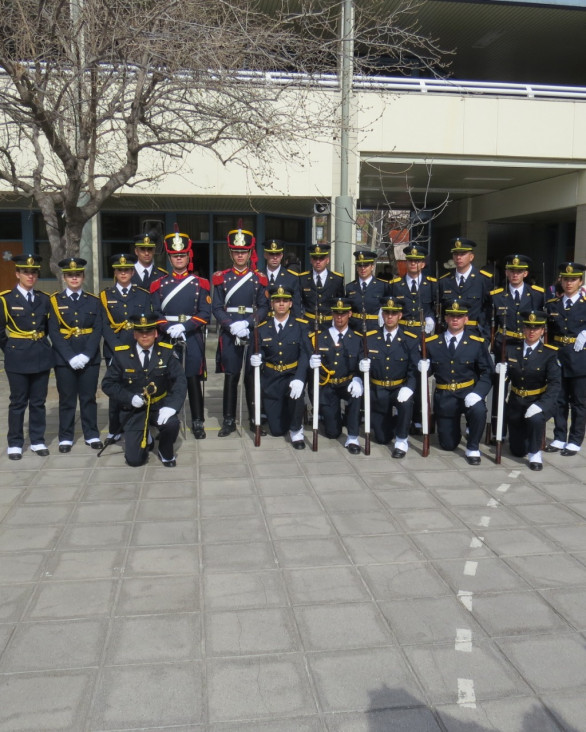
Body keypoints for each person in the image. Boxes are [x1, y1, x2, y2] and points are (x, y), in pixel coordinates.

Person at [101, 314, 187, 467]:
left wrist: (172, 406)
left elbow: (180, 381)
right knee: (135, 461)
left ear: (156, 333)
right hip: (134, 410)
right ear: (134, 334)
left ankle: (165, 451)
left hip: (159, 406)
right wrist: (129, 397)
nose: (145, 335)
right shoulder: (122, 355)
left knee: (172, 424)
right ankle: (146, 435)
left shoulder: (167, 352)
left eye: (149, 331)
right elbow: (108, 384)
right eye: (140, 332)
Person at [151, 227, 211, 439]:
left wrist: (184, 327)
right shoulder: (158, 284)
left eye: (182, 255)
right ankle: (168, 419)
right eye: (175, 255)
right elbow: (156, 312)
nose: (179, 258)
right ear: (169, 257)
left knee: (193, 379)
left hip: (191, 336)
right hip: (167, 337)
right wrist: (168, 328)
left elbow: (205, 312)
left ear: (188, 256)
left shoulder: (200, 283)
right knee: (166, 379)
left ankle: (197, 421)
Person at [421, 299, 494, 465]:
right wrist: (424, 367)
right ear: (446, 318)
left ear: (466, 319)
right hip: (445, 397)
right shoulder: (432, 343)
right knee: (448, 445)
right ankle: (456, 430)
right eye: (451, 316)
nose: (455, 319)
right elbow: (429, 371)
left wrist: (478, 393)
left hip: (468, 392)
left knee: (478, 410)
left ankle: (473, 446)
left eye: (459, 316)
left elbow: (487, 372)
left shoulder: (476, 343)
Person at [212, 227, 269, 436]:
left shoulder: (259, 278)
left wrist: (249, 323)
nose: (240, 255)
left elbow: (264, 307)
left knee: (252, 376)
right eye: (236, 251)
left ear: (249, 253)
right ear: (230, 253)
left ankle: (255, 419)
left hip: (251, 331)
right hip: (230, 333)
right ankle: (228, 420)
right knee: (231, 376)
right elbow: (216, 307)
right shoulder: (221, 278)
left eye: (243, 251)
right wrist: (230, 325)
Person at [0, 254, 54, 459]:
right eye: (25, 272)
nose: (30, 276)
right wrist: (13, 348)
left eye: (34, 272)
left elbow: (47, 328)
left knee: (38, 402)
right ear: (17, 274)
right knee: (18, 402)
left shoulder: (43, 299)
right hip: (17, 358)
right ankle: (15, 442)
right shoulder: (5, 299)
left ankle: (38, 440)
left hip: (40, 355)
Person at [48, 258, 103, 452]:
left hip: (90, 357)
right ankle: (65, 437)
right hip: (65, 359)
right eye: (70, 275)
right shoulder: (54, 301)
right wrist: (70, 356)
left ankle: (91, 433)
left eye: (77, 275)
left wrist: (87, 355)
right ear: (64, 277)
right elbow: (54, 331)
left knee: (88, 397)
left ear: (83, 277)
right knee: (67, 398)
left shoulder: (94, 301)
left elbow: (98, 329)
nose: (74, 278)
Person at [488, 253, 545, 439]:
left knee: (527, 386)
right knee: (500, 389)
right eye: (512, 271)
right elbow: (489, 324)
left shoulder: (537, 294)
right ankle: (499, 430)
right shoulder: (497, 296)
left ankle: (525, 426)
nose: (515, 275)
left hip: (527, 345)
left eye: (519, 272)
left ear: (525, 274)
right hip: (504, 346)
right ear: (506, 272)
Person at [100, 253, 153, 443]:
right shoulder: (105, 296)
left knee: (137, 385)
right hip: (115, 349)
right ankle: (114, 429)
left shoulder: (143, 295)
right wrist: (117, 349)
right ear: (115, 272)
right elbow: (105, 325)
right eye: (119, 270)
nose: (123, 273)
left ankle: (138, 424)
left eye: (127, 270)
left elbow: (146, 323)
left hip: (137, 346)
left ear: (132, 272)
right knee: (115, 388)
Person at [498, 310, 561, 470]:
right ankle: (527, 441)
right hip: (516, 401)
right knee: (517, 451)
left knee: (535, 420)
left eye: (536, 328)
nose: (532, 331)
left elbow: (555, 384)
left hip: (537, 400)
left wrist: (541, 405)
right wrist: (500, 373)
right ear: (523, 329)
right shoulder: (511, 349)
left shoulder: (549, 353)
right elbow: (506, 380)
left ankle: (535, 454)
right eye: (528, 327)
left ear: (542, 331)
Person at [250, 286, 311, 447]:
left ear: (291, 304)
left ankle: (297, 430)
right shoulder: (262, 328)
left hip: (291, 375)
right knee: (276, 430)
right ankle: (290, 415)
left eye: (285, 301)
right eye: (277, 301)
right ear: (272, 304)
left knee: (296, 396)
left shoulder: (301, 326)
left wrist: (300, 378)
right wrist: (257, 358)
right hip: (271, 378)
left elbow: (305, 354)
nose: (281, 304)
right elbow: (259, 350)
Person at [358, 297, 418, 458]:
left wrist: (409, 387)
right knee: (382, 438)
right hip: (378, 389)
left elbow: (413, 369)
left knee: (406, 403)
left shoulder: (409, 340)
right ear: (382, 315)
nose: (390, 316)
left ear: (400, 315)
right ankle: (394, 422)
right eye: (386, 313)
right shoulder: (369, 338)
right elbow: (360, 359)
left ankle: (401, 440)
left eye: (394, 313)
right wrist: (360, 366)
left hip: (399, 388)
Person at [309, 297, 364, 454]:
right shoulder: (319, 338)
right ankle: (336, 417)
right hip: (328, 385)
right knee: (333, 433)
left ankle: (353, 437)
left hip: (347, 383)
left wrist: (358, 378)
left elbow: (361, 362)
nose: (340, 317)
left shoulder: (357, 339)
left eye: (343, 313)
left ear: (350, 314)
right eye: (336, 313)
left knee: (356, 395)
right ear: (332, 314)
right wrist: (311, 363)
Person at [545, 262, 586, 456]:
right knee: (559, 400)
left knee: (578, 401)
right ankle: (560, 437)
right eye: (565, 279)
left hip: (580, 358)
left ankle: (575, 439)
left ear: (580, 281)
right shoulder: (552, 305)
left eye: (573, 279)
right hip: (558, 356)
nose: (569, 283)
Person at [438, 237, 493, 338]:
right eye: (455, 254)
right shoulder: (444, 281)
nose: (458, 257)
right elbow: (440, 309)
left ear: (471, 257)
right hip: (450, 334)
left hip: (474, 333)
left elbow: (488, 310)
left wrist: (486, 337)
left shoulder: (483, 279)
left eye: (462, 254)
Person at [389, 244, 437, 335]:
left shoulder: (432, 284)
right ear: (406, 263)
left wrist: (431, 317)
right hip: (402, 331)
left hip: (423, 331)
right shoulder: (395, 285)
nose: (413, 263)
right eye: (410, 260)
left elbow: (435, 307)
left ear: (423, 264)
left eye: (417, 261)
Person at [298, 243, 344, 331]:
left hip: (330, 325)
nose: (318, 262)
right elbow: (299, 303)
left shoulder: (337, 279)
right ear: (311, 260)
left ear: (327, 260)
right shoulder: (302, 279)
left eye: (321, 258)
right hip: (309, 325)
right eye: (315, 258)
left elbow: (340, 305)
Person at [345, 249, 390, 333]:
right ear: (357, 268)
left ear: (372, 267)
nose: (363, 268)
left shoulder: (382, 286)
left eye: (366, 265)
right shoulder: (350, 287)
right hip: (355, 329)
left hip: (375, 329)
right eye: (360, 265)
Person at [261, 239, 302, 316]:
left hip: (285, 322)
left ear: (282, 255)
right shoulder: (257, 276)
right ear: (265, 255)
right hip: (262, 322)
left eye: (278, 254)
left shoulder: (292, 277)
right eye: (271, 254)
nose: (275, 257)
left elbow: (296, 305)